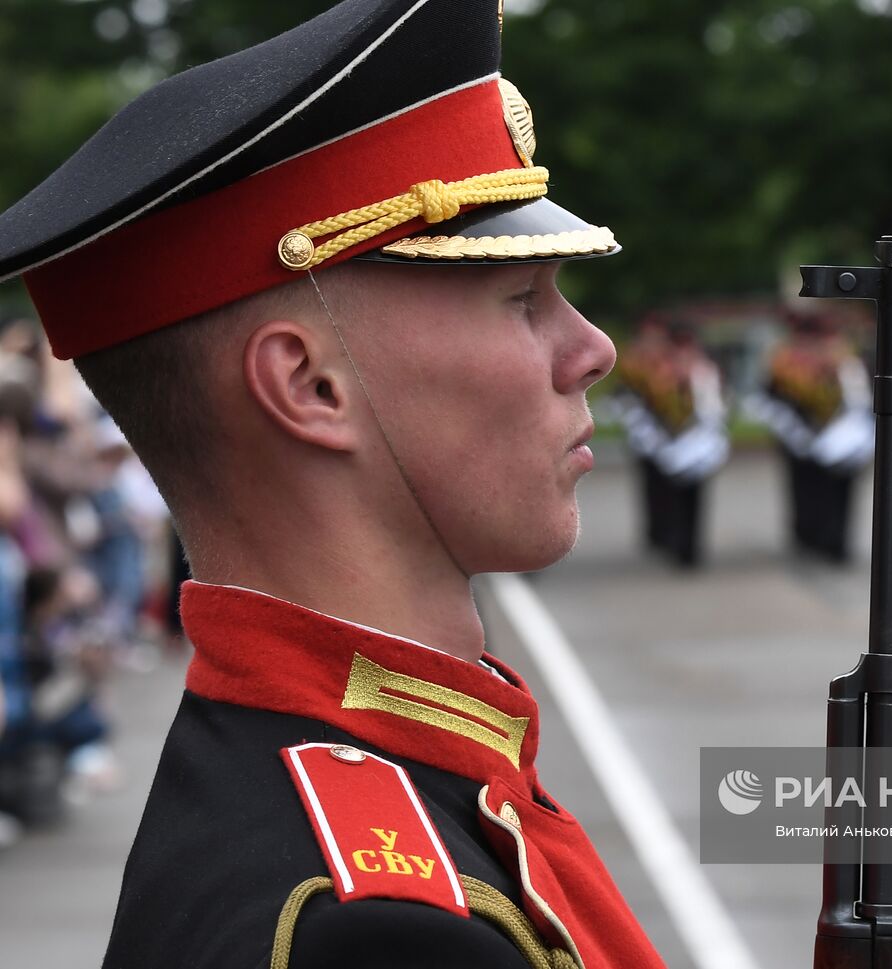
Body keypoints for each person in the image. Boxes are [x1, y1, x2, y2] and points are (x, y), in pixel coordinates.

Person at [0, 2, 664, 967]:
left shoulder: (330, 790)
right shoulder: (378, 930)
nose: (592, 350)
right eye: (522, 299)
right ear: (310, 386)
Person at [749, 312, 873, 563]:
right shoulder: (784, 363)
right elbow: (770, 397)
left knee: (841, 492)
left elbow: (861, 401)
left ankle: (836, 541)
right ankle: (808, 537)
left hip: (842, 440)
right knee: (805, 490)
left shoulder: (848, 364)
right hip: (800, 439)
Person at [613, 316, 728, 567]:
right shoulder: (657, 375)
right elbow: (644, 408)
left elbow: (715, 410)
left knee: (696, 498)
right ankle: (670, 541)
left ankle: (692, 549)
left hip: (696, 446)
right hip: (663, 444)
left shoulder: (704, 373)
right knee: (666, 495)